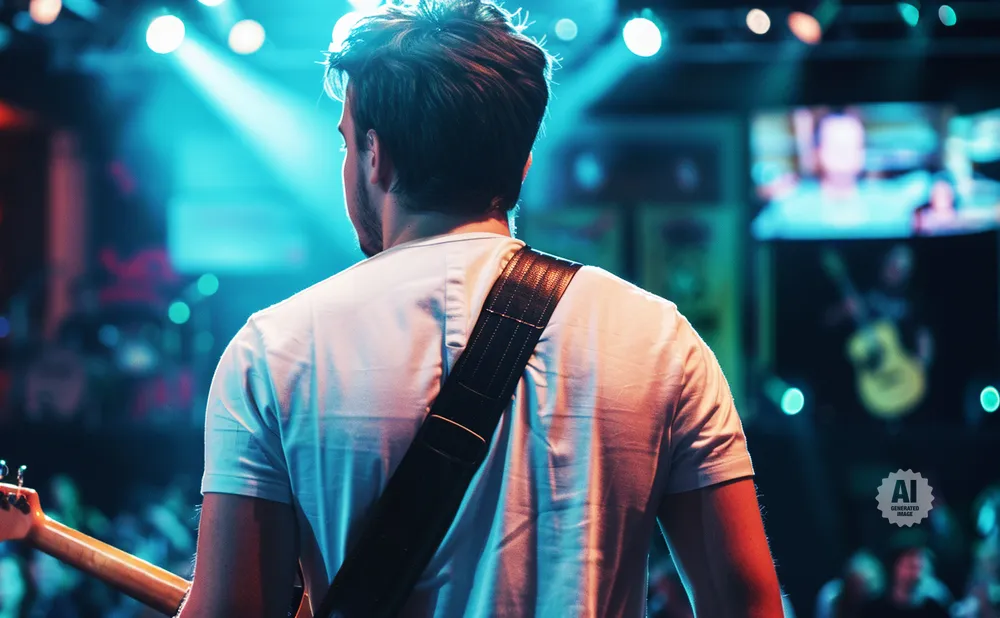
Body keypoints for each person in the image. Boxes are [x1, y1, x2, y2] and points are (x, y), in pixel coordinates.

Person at [176, 2, 783, 617]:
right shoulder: (660, 340)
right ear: (520, 164)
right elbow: (748, 605)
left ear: (376, 155)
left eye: (346, 142)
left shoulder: (274, 351)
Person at [861, 546, 950, 618]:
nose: (915, 574)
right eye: (910, 567)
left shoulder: (933, 610)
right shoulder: (875, 610)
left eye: (918, 568)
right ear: (895, 567)